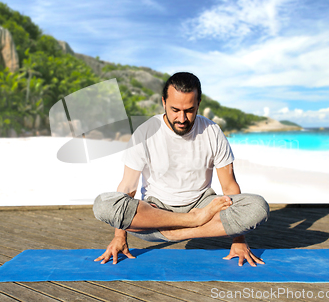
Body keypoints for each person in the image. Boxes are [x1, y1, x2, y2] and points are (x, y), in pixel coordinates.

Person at [93, 72, 269, 266]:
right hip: (157, 212)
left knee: (258, 207)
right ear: (163, 102)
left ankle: (183, 227)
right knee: (104, 205)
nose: (182, 118)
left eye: (189, 110)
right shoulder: (145, 131)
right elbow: (128, 186)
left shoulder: (212, 131)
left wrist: (239, 240)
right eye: (175, 109)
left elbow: (229, 187)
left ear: (198, 104)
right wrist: (120, 236)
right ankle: (191, 222)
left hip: (202, 206)